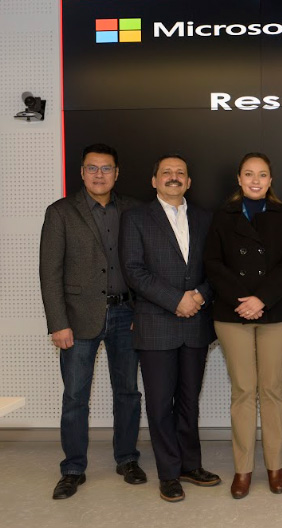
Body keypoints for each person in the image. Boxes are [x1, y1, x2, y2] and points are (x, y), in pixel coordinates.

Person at [39, 143, 146, 499]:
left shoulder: (134, 209)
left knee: (128, 392)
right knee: (75, 397)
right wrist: (58, 323)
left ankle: (127, 459)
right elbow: (50, 273)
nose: (99, 174)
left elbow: (145, 265)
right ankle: (72, 469)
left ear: (117, 173)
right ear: (82, 172)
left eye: (106, 168)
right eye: (92, 168)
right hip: (77, 318)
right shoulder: (60, 212)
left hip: (127, 315)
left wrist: (141, 311)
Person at [120, 154, 221, 502]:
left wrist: (200, 296)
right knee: (161, 403)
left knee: (189, 401)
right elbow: (134, 270)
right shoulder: (135, 218)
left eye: (180, 173)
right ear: (154, 181)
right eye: (166, 172)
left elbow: (216, 267)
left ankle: (190, 465)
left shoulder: (206, 218)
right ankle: (168, 472)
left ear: (189, 182)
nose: (174, 177)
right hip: (156, 323)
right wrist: (176, 300)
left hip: (196, 322)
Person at [204, 153, 282, 499]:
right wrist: (242, 300)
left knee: (272, 390)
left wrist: (261, 299)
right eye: (249, 174)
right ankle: (243, 469)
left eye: (262, 175)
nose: (255, 180)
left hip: (276, 313)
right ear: (239, 178)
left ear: (270, 180)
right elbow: (212, 263)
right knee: (243, 391)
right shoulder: (222, 216)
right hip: (233, 314)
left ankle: (275, 466)